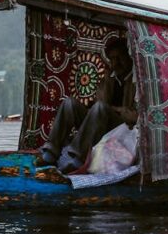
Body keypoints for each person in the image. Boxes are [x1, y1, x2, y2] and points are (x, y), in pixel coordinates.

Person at [39, 36, 137, 173]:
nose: (116, 63)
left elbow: (134, 117)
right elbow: (100, 102)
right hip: (99, 124)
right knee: (69, 104)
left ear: (129, 57)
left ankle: (78, 158)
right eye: (112, 59)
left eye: (119, 58)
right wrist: (108, 82)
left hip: (122, 131)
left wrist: (114, 110)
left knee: (100, 108)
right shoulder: (109, 79)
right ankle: (51, 152)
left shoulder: (137, 81)